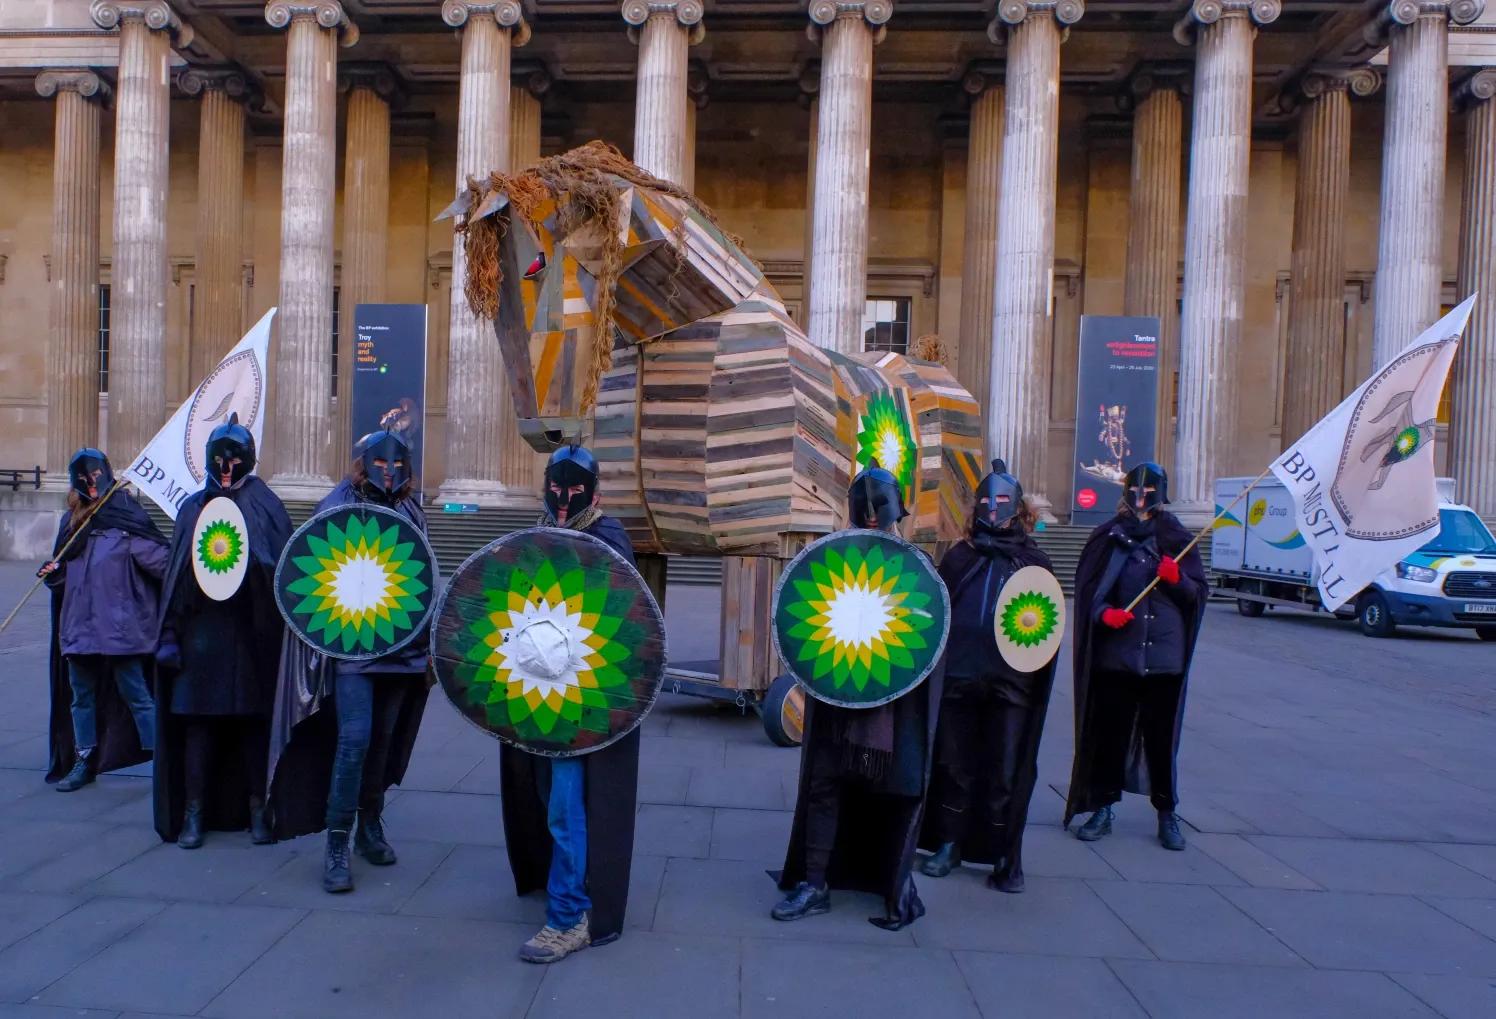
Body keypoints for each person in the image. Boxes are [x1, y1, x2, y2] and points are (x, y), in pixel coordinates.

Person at [773, 464, 943, 931]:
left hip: (894, 708)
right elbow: (807, 623)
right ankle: (814, 883)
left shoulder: (915, 567)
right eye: (862, 507)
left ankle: (894, 883)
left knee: (897, 791)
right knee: (824, 786)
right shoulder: (830, 560)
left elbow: (925, 638)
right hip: (835, 699)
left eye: (878, 506)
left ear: (896, 507)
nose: (870, 516)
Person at [265, 431, 432, 893]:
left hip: (402, 649)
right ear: (362, 463)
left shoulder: (409, 509)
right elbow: (312, 572)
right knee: (354, 740)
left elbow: (422, 576)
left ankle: (370, 825)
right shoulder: (336, 505)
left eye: (396, 464)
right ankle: (337, 841)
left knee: (381, 742)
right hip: (353, 646)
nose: (388, 471)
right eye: (379, 463)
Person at [503, 444, 642, 964]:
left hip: (585, 700)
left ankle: (569, 917)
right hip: (539, 691)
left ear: (595, 491)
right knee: (546, 798)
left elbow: (626, 622)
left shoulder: (608, 539)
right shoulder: (537, 535)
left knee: (565, 805)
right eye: (555, 490)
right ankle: (566, 883)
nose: (563, 501)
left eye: (573, 491)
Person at [919, 460, 1057, 892]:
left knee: (1006, 769)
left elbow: (1044, 625)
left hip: (1011, 684)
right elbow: (937, 610)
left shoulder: (1033, 562)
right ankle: (948, 843)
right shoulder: (961, 557)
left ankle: (1004, 854)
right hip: (960, 678)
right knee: (953, 765)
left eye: (1002, 502)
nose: (993, 510)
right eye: (986, 502)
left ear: (1017, 509)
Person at [154, 414, 291, 849]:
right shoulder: (194, 507)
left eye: (235, 456)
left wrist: (252, 568)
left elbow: (281, 564)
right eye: (219, 457)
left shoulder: (264, 502)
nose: (227, 465)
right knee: (200, 726)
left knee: (253, 724)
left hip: (250, 633)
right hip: (202, 636)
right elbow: (175, 576)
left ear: (248, 458)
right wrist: (171, 633)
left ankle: (258, 808)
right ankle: (194, 811)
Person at [1064, 461, 1207, 851]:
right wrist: (1102, 613)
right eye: (1136, 491)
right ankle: (1103, 807)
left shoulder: (1178, 539)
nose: (1142, 498)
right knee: (1111, 737)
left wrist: (1178, 580)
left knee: (1161, 741)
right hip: (1119, 659)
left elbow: (1196, 596)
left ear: (1161, 494)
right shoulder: (1109, 538)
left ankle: (1166, 812)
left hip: (1164, 660)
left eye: (1149, 492)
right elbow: (1092, 593)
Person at [41, 448, 167, 791]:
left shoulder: (127, 518)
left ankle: (164, 763)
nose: (91, 485)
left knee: (138, 695)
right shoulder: (73, 524)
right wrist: (54, 573)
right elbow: (65, 576)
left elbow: (162, 564)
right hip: (79, 628)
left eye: (96, 476)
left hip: (119, 630)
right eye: (85, 479)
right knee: (81, 697)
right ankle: (84, 760)